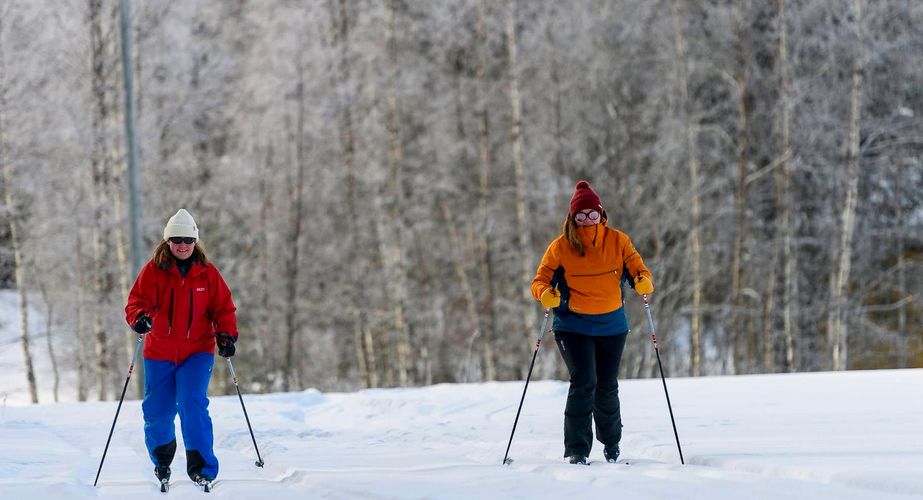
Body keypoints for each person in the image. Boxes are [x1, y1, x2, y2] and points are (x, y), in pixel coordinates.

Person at [530, 180, 653, 465]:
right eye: (581, 215)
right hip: (572, 325)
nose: (587, 219)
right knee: (585, 381)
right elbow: (539, 281)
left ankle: (611, 444)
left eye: (592, 214)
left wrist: (643, 281)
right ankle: (577, 450)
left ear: (601, 213)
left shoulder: (618, 241)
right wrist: (545, 294)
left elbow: (639, 270)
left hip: (612, 325)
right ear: (572, 218)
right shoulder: (560, 247)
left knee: (607, 385)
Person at [125, 208, 239, 487]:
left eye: (188, 240)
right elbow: (137, 301)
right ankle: (162, 461)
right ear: (168, 241)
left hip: (197, 352)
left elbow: (223, 308)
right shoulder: (154, 271)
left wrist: (226, 335)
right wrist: (139, 318)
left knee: (192, 403)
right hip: (159, 352)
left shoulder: (208, 274)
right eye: (177, 239)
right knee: (158, 411)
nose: (183, 245)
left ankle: (202, 468)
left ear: (195, 241)